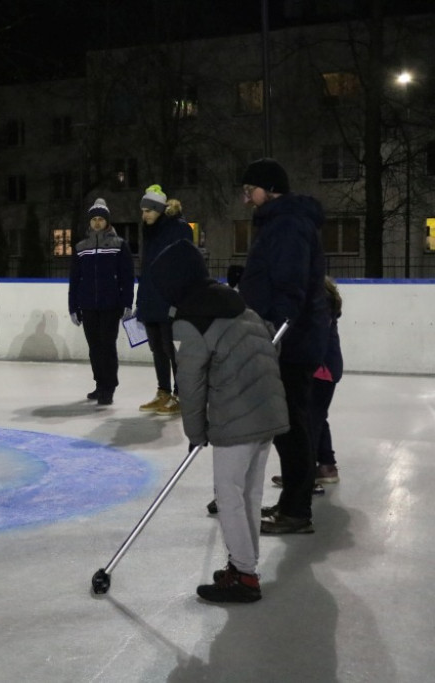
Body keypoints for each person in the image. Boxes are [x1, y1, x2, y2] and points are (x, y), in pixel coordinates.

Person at [151, 239, 289, 603]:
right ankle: (245, 565)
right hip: (268, 411)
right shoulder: (237, 303)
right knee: (250, 494)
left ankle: (244, 576)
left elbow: (190, 383)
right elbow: (271, 348)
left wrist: (195, 432)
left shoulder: (191, 319)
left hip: (236, 418)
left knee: (229, 495)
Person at [239, 158, 330, 534]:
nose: (246, 199)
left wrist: (275, 329)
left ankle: (296, 510)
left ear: (269, 188)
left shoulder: (288, 223)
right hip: (291, 336)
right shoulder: (280, 221)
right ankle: (293, 502)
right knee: (290, 423)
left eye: (249, 191)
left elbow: (290, 283)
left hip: (290, 340)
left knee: (290, 424)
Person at [272, 276, 343, 490]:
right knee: (316, 418)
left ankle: (304, 475)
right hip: (326, 367)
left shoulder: (316, 304)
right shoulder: (323, 302)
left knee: (306, 423)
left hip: (318, 368)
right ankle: (326, 467)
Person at [68, 198, 135, 405]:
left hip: (110, 305)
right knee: (94, 347)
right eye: (94, 219)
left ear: (107, 222)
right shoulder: (81, 247)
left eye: (101, 219)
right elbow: (75, 279)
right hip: (88, 306)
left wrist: (127, 302)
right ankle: (99, 384)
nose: (97, 223)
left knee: (107, 345)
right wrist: (73, 306)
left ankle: (109, 387)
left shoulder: (118, 245)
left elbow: (127, 276)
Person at [134, 184, 194, 416]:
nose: (144, 215)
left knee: (171, 350)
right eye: (143, 210)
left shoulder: (178, 228)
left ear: (159, 209)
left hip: (169, 299)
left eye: (148, 210)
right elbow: (147, 267)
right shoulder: (150, 230)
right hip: (151, 298)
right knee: (157, 348)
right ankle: (163, 392)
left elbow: (186, 264)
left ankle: (181, 395)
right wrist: (141, 300)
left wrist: (179, 298)